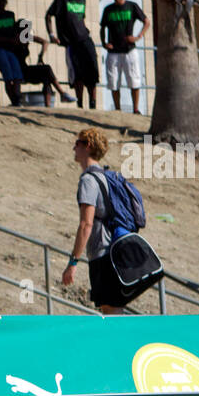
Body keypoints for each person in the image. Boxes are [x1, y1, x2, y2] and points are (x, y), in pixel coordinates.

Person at [60, 127, 126, 313]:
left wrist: (73, 263)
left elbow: (86, 224)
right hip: (115, 250)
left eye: (77, 144)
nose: (74, 148)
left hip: (102, 253)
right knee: (112, 307)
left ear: (87, 146)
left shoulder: (89, 180)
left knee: (110, 309)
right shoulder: (106, 176)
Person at [46, 0, 99, 109]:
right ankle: (80, 103)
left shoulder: (82, 0)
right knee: (77, 74)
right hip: (71, 43)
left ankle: (93, 103)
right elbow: (48, 15)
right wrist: (52, 34)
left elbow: (80, 19)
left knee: (92, 72)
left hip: (85, 39)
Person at [100, 0, 149, 114]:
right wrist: (104, 43)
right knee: (113, 81)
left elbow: (146, 21)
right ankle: (117, 109)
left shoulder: (131, 6)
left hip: (129, 50)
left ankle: (136, 108)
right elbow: (102, 27)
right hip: (113, 51)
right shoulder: (108, 9)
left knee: (134, 80)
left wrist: (138, 37)